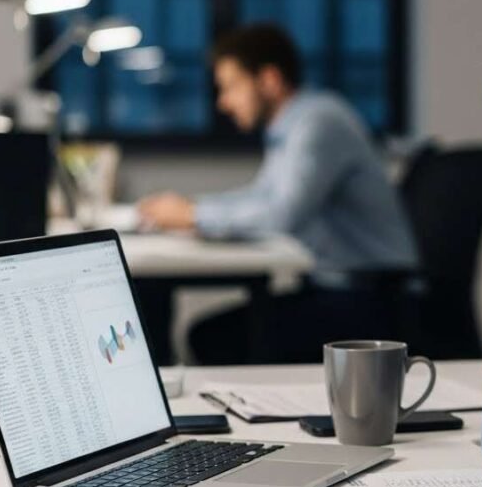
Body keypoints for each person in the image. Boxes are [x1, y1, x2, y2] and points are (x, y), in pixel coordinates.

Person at [139, 23, 418, 363]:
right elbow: (262, 196)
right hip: (342, 288)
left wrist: (192, 215)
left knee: (212, 337)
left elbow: (282, 213)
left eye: (231, 87)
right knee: (210, 331)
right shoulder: (290, 128)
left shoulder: (318, 123)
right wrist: (192, 209)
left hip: (369, 299)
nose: (224, 103)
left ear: (269, 80)